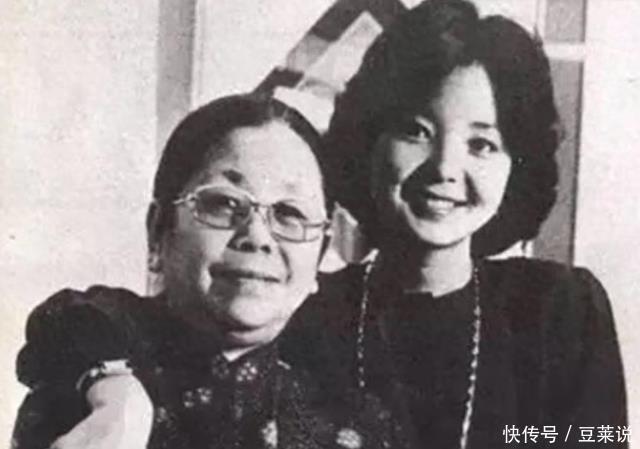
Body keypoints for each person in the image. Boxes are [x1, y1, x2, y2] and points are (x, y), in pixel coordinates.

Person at [283, 0, 627, 448]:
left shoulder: (561, 311)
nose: (445, 167)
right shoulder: (305, 315)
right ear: (369, 140)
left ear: (515, 165)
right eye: (416, 131)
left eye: (481, 144)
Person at [12, 94, 410, 449]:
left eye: (290, 213)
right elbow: (78, 314)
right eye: (223, 203)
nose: (257, 236)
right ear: (159, 231)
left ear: (320, 255)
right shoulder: (85, 398)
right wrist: (118, 396)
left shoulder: (358, 429)